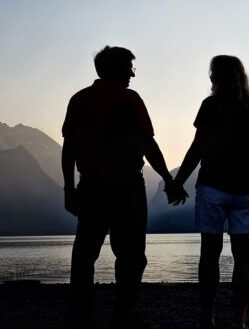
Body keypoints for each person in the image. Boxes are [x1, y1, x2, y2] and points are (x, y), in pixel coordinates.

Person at [61, 45, 182, 328]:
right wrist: (168, 179)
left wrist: (69, 189)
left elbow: (69, 149)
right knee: (131, 256)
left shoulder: (79, 100)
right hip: (127, 188)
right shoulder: (130, 100)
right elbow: (148, 144)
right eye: (129, 67)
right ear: (116, 69)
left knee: (84, 255)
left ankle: (81, 316)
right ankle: (124, 315)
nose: (132, 73)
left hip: (90, 188)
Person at [171, 55, 249, 329]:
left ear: (219, 77)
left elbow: (198, 148)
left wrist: (178, 181)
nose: (210, 78)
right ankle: (240, 321)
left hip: (213, 187)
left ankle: (208, 318)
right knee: (243, 255)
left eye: (213, 73)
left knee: (210, 253)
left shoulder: (211, 106)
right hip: (248, 190)